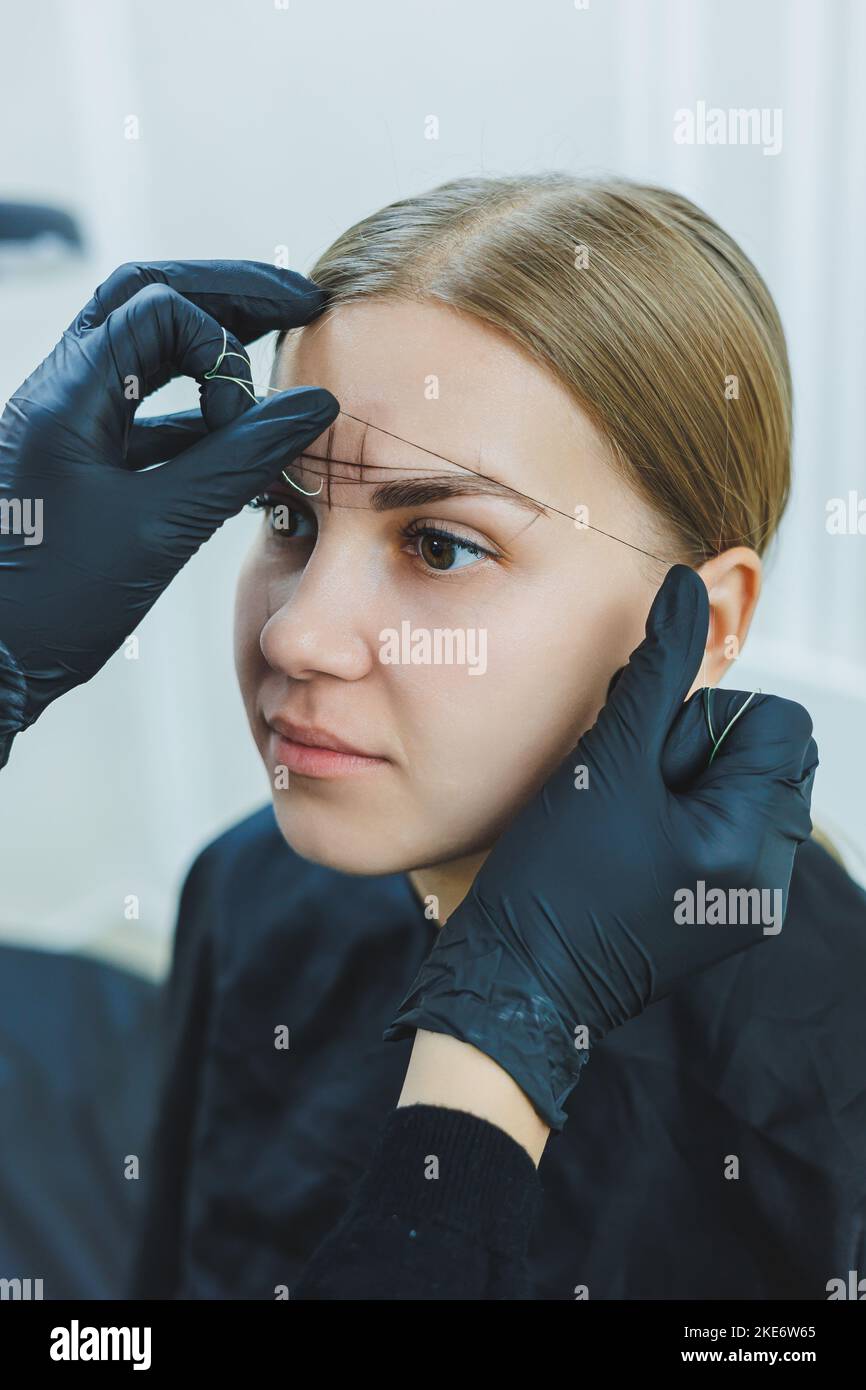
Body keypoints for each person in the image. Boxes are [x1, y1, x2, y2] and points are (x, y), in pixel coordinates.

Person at [0, 178, 860, 1302]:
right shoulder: (245, 889)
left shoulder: (822, 1064)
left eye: (441, 546)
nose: (297, 633)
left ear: (710, 622)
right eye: (286, 517)